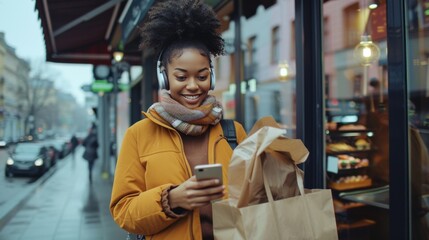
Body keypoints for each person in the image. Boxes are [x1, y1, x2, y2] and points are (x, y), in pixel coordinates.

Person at [109, 1, 247, 239]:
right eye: (181, 76)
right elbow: (123, 212)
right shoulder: (138, 135)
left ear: (211, 78)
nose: (193, 86)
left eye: (202, 76)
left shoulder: (234, 132)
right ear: (164, 78)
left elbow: (255, 197)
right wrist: (171, 200)